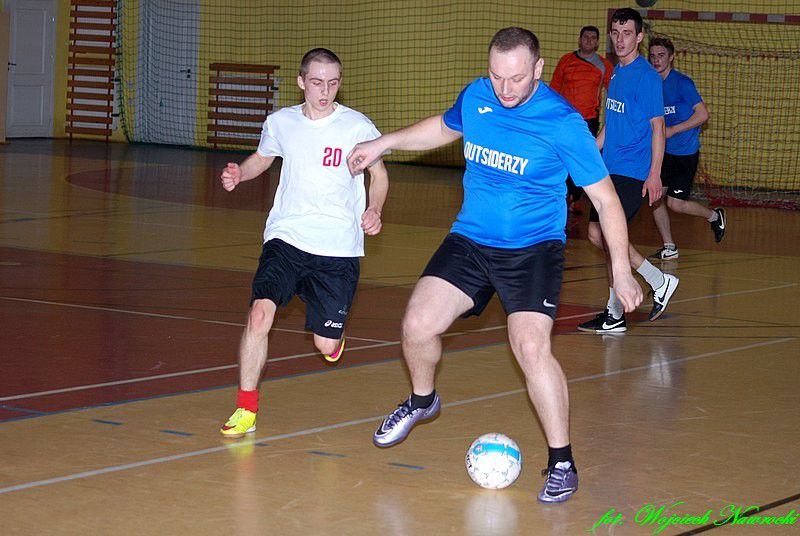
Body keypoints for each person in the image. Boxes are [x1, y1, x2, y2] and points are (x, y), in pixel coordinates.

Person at [347, 27, 642, 504]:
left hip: (532, 250)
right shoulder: (478, 95)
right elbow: (444, 128)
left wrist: (621, 271)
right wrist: (383, 144)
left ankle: (562, 461)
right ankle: (423, 400)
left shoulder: (563, 123)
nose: (505, 89)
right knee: (417, 325)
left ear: (539, 71)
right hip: (471, 240)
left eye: (517, 79)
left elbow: (607, 202)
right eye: (497, 76)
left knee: (530, 347)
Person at [218, 48, 389, 438]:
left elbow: (379, 177)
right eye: (316, 82)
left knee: (324, 342)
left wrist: (375, 209)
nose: (324, 91)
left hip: (338, 249)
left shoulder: (358, 127)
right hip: (287, 236)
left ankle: (333, 341)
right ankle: (246, 407)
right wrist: (239, 174)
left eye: (332, 83)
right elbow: (263, 159)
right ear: (301, 82)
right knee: (260, 314)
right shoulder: (281, 122)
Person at [578, 8, 679, 335]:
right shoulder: (616, 73)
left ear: (639, 37)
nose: (620, 39)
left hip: (633, 172)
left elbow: (658, 127)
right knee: (599, 235)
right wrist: (590, 151)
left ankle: (616, 311)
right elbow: (611, 121)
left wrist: (655, 174)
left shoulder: (647, 77)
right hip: (609, 167)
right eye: (616, 33)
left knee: (610, 237)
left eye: (627, 34)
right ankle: (656, 282)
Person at [647, 37, 726, 260]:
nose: (656, 60)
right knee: (655, 199)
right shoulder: (651, 84)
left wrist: (674, 130)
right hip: (663, 152)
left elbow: (703, 115)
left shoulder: (682, 83)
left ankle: (713, 216)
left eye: (661, 55)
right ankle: (669, 247)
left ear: (671, 57)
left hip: (684, 153)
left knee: (676, 203)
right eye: (652, 56)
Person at [551, 25, 614, 212]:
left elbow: (615, 92)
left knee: (581, 159)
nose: (588, 40)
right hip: (564, 120)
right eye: (585, 37)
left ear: (597, 42)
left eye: (593, 37)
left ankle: (576, 197)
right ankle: (562, 195)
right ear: (580, 39)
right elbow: (554, 89)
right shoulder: (566, 61)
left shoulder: (604, 65)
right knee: (561, 157)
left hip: (589, 120)